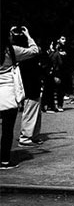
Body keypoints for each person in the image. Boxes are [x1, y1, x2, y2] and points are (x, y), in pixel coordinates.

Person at [1, 26, 39, 169]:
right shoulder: (11, 50)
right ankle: (4, 160)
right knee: (7, 130)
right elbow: (34, 51)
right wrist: (28, 36)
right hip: (8, 93)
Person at [14, 27, 45, 147]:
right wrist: (28, 36)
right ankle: (26, 136)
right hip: (29, 83)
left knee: (36, 110)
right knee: (30, 109)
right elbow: (35, 50)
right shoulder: (21, 51)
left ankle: (33, 135)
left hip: (34, 82)